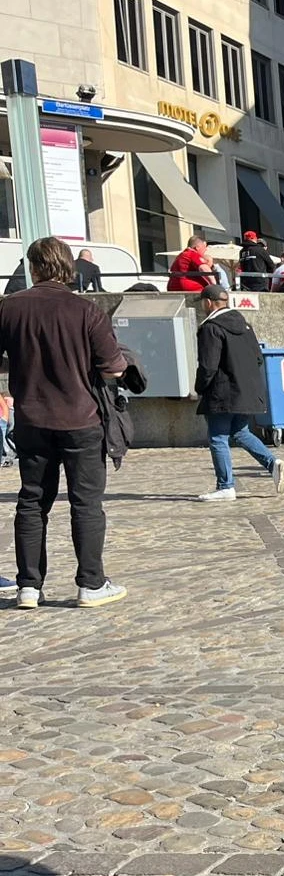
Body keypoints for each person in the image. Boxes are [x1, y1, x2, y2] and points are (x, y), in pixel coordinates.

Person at [0, 237, 129, 609]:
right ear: (68, 267)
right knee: (86, 503)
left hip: (31, 418)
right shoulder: (86, 311)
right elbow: (114, 366)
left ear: (34, 267)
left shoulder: (9, 308)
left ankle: (28, 585)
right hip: (80, 418)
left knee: (31, 500)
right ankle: (90, 583)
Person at [193, 286, 284, 501]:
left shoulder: (211, 328)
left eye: (202, 302)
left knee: (218, 437)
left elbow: (208, 365)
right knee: (240, 432)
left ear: (208, 302)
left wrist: (200, 387)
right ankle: (273, 464)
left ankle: (225, 486)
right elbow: (258, 358)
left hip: (222, 392)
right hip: (247, 391)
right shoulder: (246, 325)